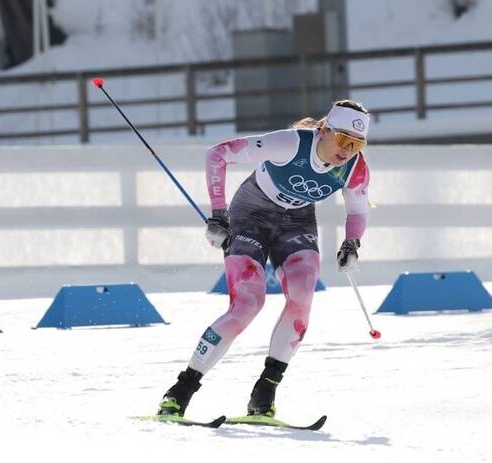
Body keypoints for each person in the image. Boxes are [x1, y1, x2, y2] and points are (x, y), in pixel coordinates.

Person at [156, 100, 371, 418]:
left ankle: (264, 393)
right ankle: (180, 391)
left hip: (296, 223)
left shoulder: (355, 168)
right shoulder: (290, 143)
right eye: (342, 139)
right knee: (247, 304)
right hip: (250, 215)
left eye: (357, 144)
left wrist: (352, 244)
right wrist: (218, 214)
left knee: (302, 297)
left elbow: (357, 210)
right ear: (324, 130)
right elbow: (217, 154)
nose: (347, 149)